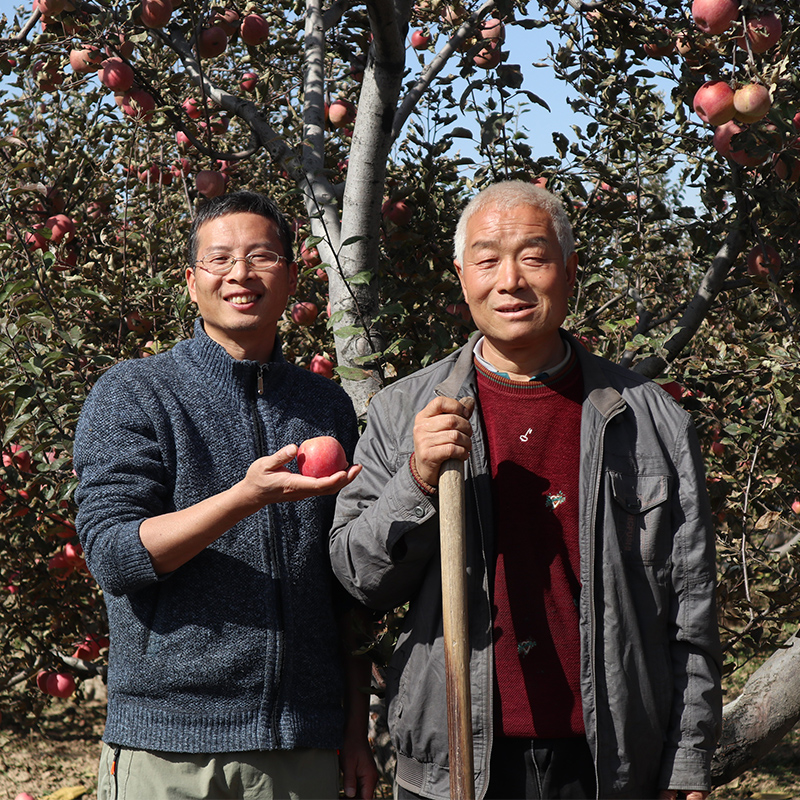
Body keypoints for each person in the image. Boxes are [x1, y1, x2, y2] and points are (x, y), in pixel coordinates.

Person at [329, 181, 722, 800]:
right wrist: (418, 480)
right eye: (487, 260)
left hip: (609, 764)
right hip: (457, 759)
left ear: (569, 272)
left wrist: (688, 755)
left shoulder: (650, 420)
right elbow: (358, 578)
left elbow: (690, 602)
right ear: (462, 277)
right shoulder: (403, 409)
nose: (509, 280)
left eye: (533, 257)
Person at [74, 191, 378, 800]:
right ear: (191, 283)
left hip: (302, 745)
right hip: (170, 748)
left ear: (291, 277)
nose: (240, 274)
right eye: (219, 260)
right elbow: (113, 555)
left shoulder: (325, 406)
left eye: (261, 256)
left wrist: (353, 726)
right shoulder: (136, 393)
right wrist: (244, 498)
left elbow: (343, 584)